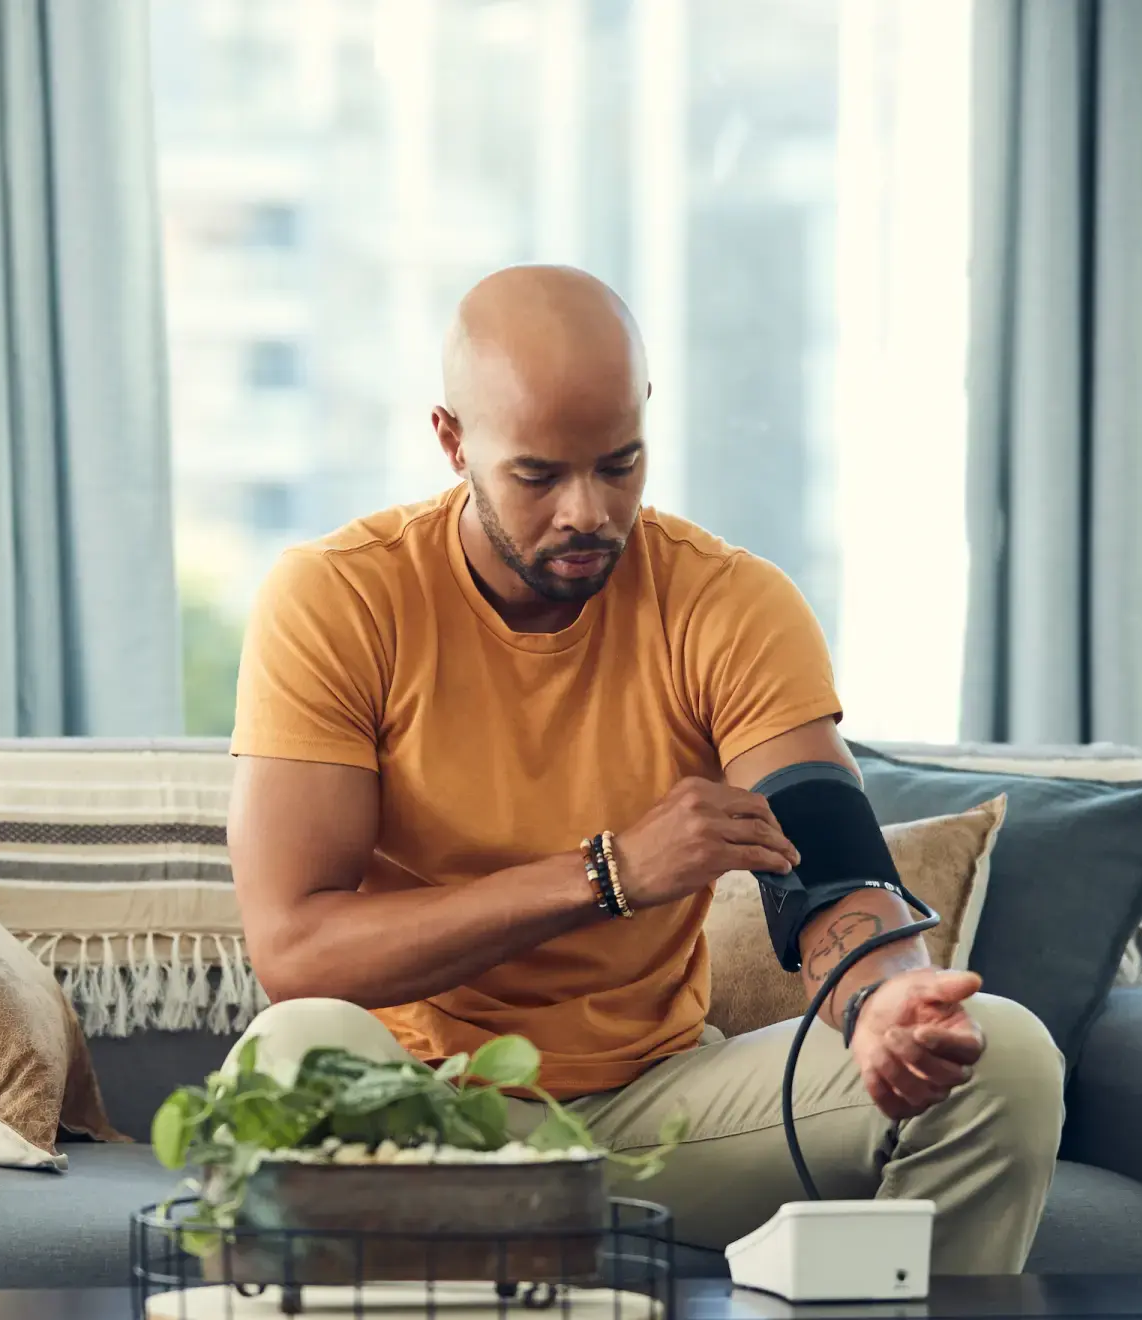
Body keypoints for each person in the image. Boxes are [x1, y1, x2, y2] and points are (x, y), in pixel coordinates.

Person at [225, 264, 1063, 1274]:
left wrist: (884, 994)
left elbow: (835, 868)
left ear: (647, 419)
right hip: (424, 1114)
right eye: (538, 476)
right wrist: (608, 872)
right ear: (453, 442)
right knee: (291, 1055)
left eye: (619, 464)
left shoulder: (727, 603)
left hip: (661, 1118)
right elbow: (297, 951)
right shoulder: (340, 599)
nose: (588, 512)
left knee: (1002, 1055)